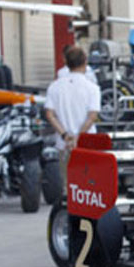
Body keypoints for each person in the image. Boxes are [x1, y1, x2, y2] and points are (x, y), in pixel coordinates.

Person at [44, 46, 101, 193]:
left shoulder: (55, 87)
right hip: (88, 143)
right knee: (89, 187)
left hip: (64, 144)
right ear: (85, 62)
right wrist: (78, 137)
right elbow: (92, 116)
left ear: (66, 62)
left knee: (69, 186)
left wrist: (65, 135)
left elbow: (50, 114)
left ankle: (71, 215)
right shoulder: (92, 88)